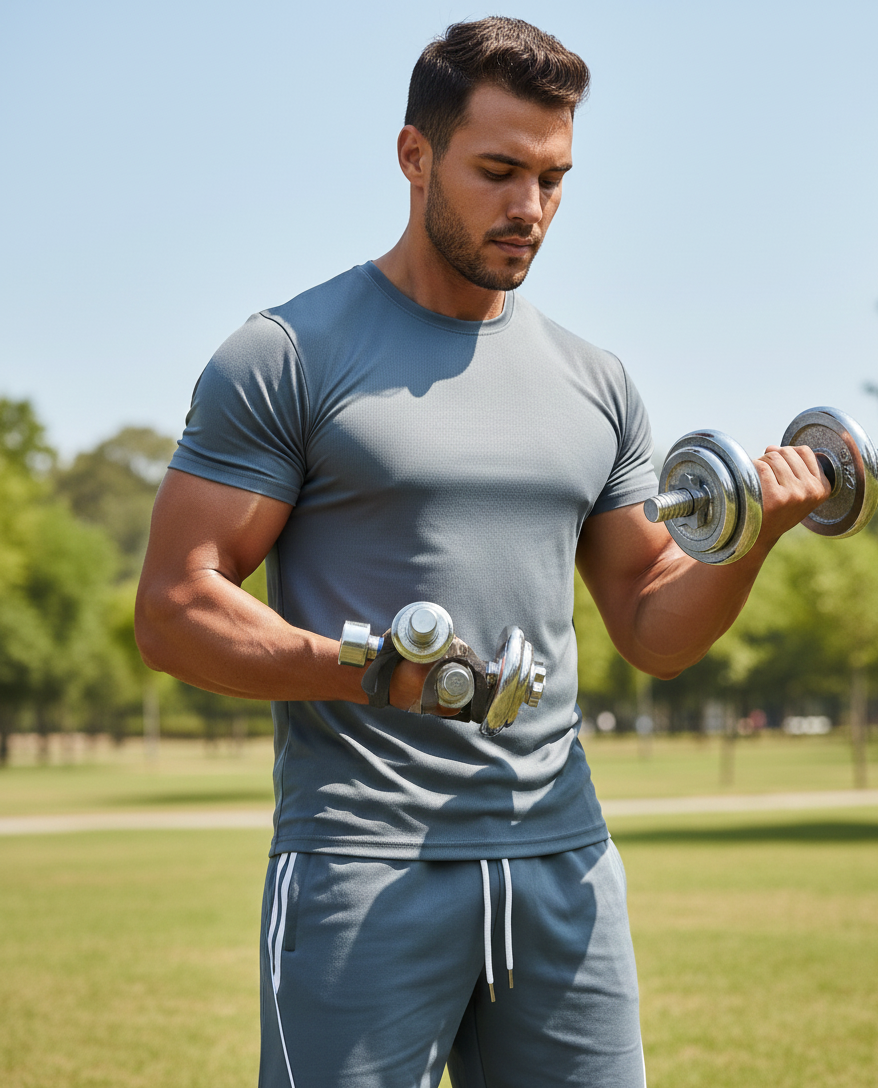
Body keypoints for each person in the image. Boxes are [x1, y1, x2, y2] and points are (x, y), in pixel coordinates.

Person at [135, 16, 830, 1088]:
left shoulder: (593, 381)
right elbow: (176, 607)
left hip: (562, 862)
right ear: (414, 156)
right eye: (497, 171)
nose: (529, 210)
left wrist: (749, 539)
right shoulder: (285, 356)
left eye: (553, 179)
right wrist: (370, 671)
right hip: (362, 867)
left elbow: (649, 618)